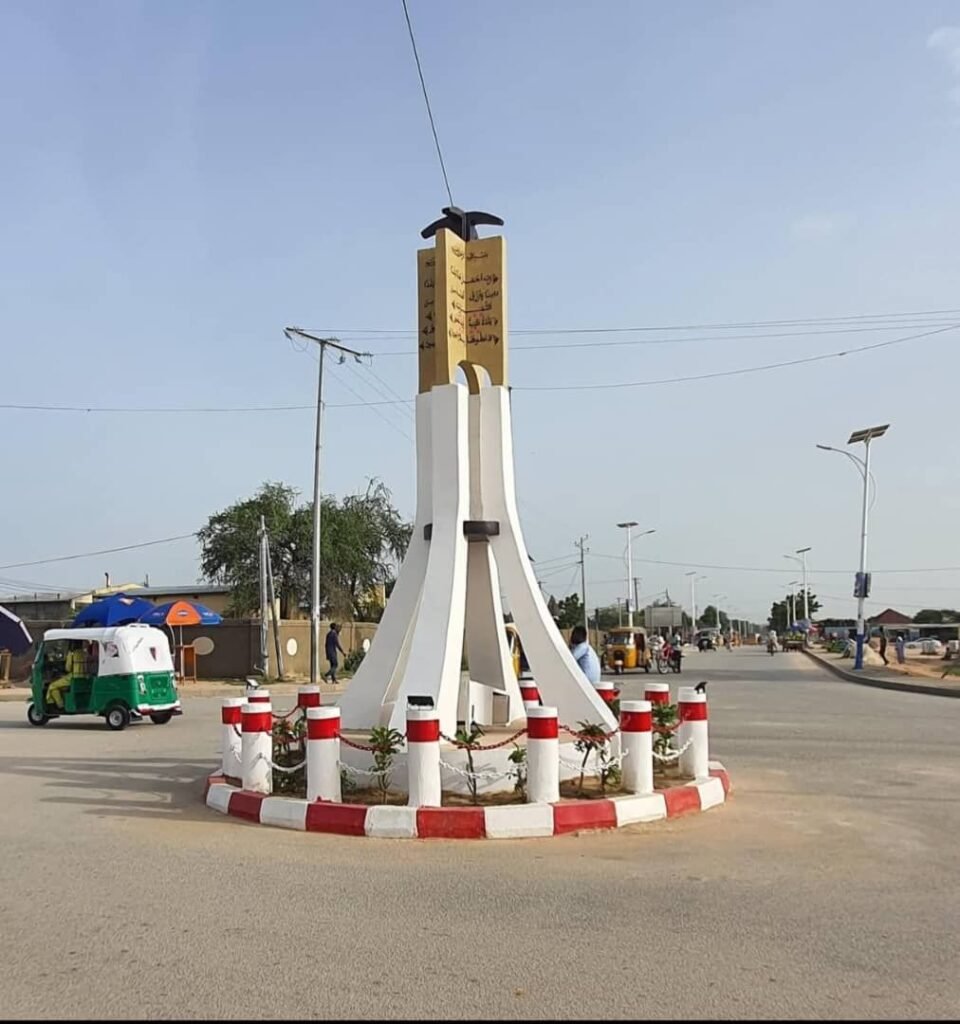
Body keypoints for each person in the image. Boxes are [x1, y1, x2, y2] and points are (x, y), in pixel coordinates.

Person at [47, 641, 86, 710]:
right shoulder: (85, 653)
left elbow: (68, 668)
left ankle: (59, 706)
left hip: (73, 678)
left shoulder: (72, 654)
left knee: (52, 686)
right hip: (84, 677)